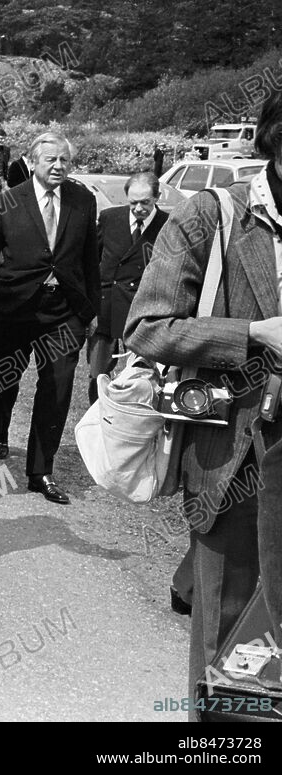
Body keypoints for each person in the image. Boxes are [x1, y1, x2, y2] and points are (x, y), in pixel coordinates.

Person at [125, 89, 282, 704]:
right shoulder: (211, 216)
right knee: (230, 637)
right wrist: (250, 335)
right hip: (233, 456)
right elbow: (148, 326)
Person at [0, 132, 99, 505]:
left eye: (64, 160)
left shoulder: (83, 201)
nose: (59, 166)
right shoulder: (9, 199)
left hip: (63, 311)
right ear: (33, 163)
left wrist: (90, 310)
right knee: (4, 377)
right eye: (51, 160)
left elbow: (89, 258)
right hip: (15, 306)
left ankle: (41, 471)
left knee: (57, 388)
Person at [88, 171, 168, 404]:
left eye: (145, 202)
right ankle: (99, 415)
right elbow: (92, 260)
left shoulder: (168, 224)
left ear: (157, 197)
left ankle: (133, 417)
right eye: (133, 202)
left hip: (142, 311)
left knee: (141, 373)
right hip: (106, 308)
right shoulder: (110, 218)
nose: (139, 208)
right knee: (98, 373)